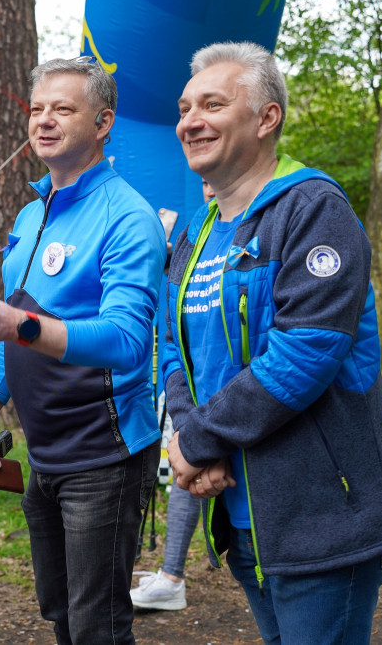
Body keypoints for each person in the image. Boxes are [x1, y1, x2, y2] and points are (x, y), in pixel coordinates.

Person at [163, 42, 382, 645]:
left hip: (322, 514)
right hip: (238, 508)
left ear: (267, 118)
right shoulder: (198, 230)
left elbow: (305, 352)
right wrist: (194, 438)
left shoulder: (314, 209)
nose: (190, 121)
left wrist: (198, 441)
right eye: (184, 108)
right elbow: (172, 344)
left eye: (212, 104)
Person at [0, 56, 166, 644]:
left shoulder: (129, 216)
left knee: (97, 625)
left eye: (63, 109)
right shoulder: (30, 213)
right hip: (45, 455)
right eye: (37, 108)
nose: (44, 120)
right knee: (60, 612)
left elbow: (127, 341)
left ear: (103, 122)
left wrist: (21, 324)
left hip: (104, 454)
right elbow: (12, 332)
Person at [130, 179, 216, 612]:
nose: (209, 190)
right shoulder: (195, 231)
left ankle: (173, 575)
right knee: (186, 461)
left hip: (231, 384)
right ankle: (171, 575)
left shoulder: (259, 226)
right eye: (203, 182)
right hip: (189, 377)